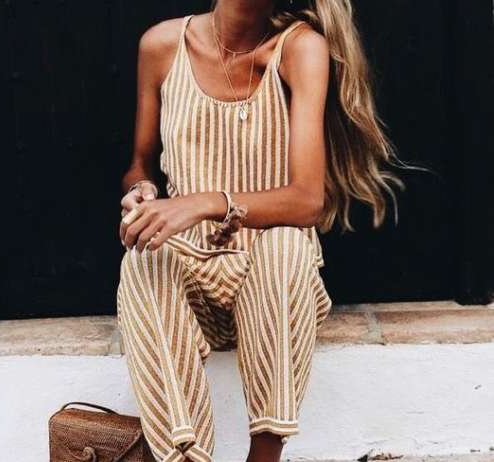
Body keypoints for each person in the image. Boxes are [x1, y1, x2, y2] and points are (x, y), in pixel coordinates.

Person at [117, 1, 404, 461]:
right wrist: (142, 191)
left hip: (270, 283)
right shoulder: (162, 45)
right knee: (142, 260)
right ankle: (184, 454)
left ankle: (264, 455)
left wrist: (209, 202)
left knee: (287, 243)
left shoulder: (299, 49)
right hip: (192, 280)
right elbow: (139, 163)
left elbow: (308, 200)